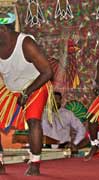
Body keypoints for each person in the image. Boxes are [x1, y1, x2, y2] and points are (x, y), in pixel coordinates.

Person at [0, 12, 53, 175]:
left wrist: (27, 92)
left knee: (33, 121)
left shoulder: (26, 43)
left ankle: (35, 163)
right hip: (11, 88)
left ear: (3, 29)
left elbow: (47, 72)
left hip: (36, 85)